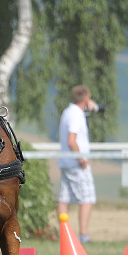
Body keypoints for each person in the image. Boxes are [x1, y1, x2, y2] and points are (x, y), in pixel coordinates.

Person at [57, 85, 97, 243]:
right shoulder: (76, 115)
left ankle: (63, 234)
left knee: (64, 198)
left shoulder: (68, 111)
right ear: (86, 99)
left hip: (66, 162)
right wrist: (82, 160)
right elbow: (72, 140)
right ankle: (83, 235)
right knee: (88, 198)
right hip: (76, 163)